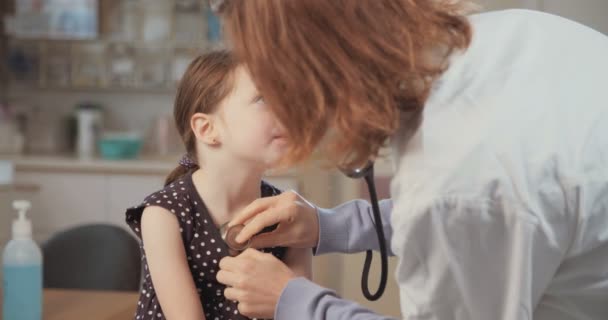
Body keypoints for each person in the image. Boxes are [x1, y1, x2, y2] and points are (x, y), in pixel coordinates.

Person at [211, 1, 608, 319]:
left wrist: (293, 302)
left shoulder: (457, 178)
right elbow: (487, 212)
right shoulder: (518, 32)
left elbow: (464, 204)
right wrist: (331, 225)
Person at [125, 50, 312, 320]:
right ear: (207, 129)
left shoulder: (288, 213)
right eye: (263, 99)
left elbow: (300, 312)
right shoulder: (162, 216)